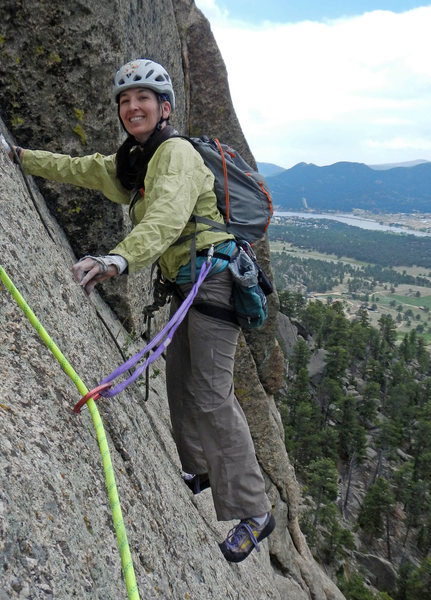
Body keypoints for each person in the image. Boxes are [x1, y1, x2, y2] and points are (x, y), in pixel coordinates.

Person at [1, 58, 275, 562]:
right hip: (189, 284)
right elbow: (82, 169)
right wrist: (21, 156)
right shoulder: (137, 163)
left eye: (142, 99)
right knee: (180, 382)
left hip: (213, 283)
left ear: (164, 107)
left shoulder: (175, 155)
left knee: (212, 396)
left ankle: (255, 511)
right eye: (125, 101)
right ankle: (203, 470)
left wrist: (119, 258)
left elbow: (170, 214)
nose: (132, 107)